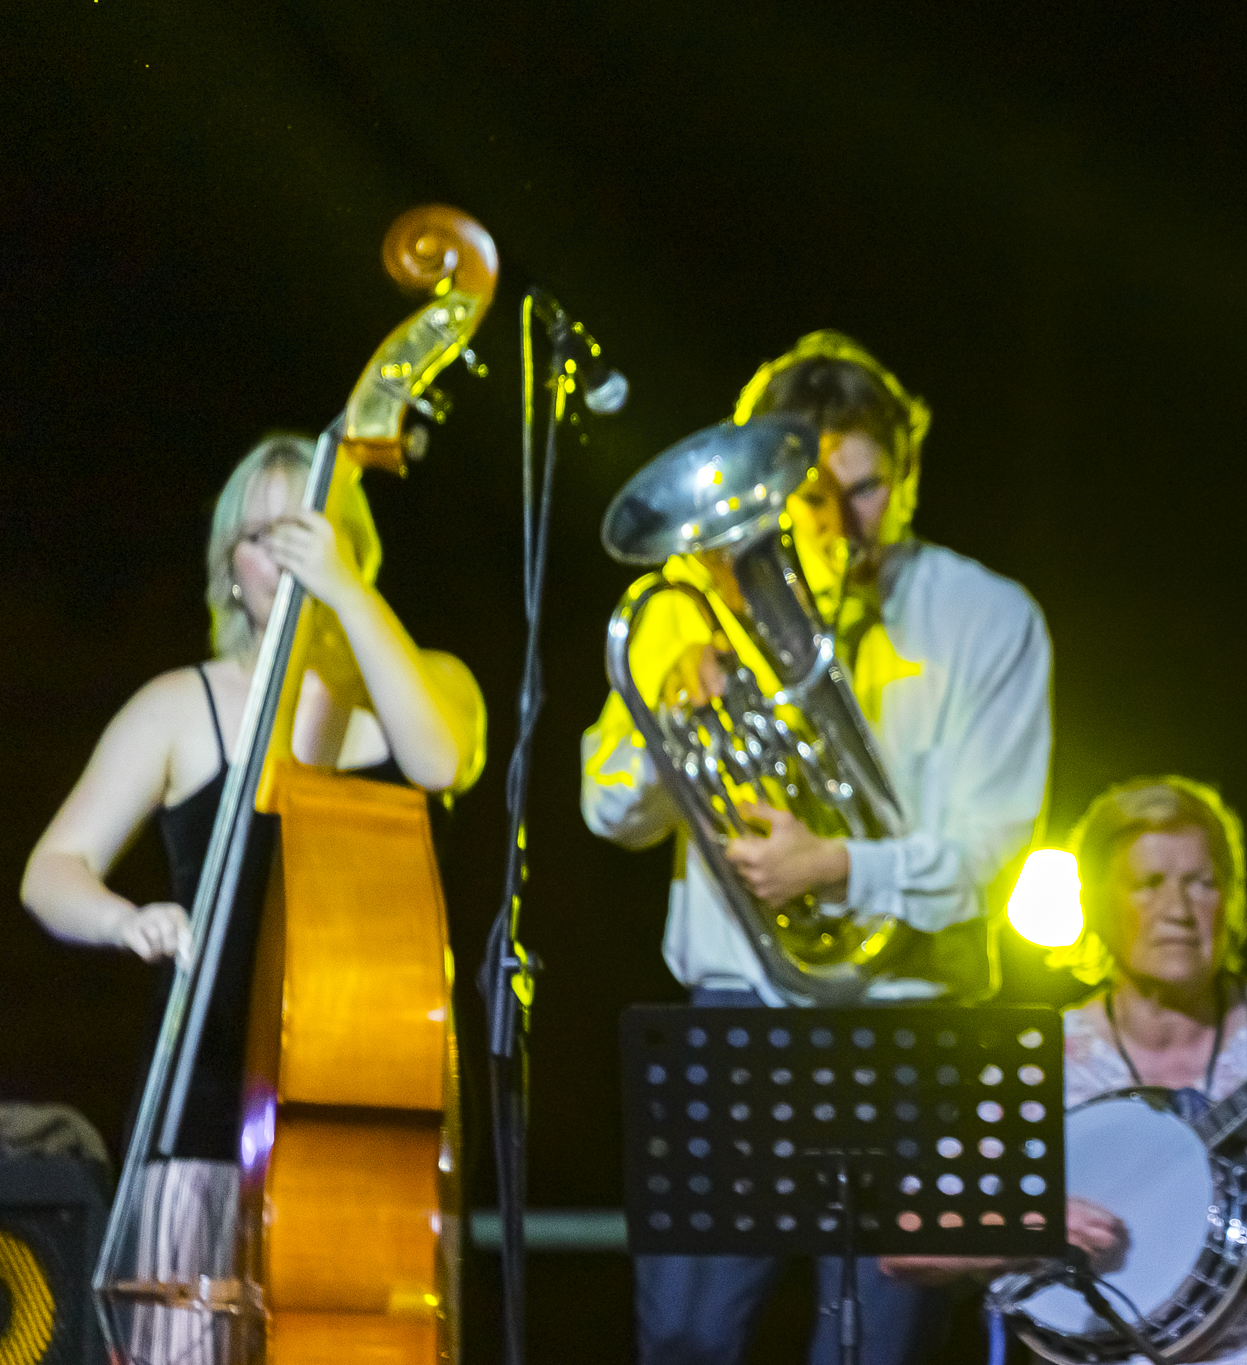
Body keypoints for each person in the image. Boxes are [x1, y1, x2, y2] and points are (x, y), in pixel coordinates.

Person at [581, 331, 1054, 1365]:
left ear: (909, 476)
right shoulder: (689, 609)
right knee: (688, 1338)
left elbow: (990, 851)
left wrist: (837, 865)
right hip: (736, 1019)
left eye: (867, 488)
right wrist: (667, 714)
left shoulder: (988, 616)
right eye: (809, 496)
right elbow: (608, 812)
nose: (839, 520)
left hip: (914, 1022)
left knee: (877, 1350)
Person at [19, 433, 484, 1347]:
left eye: (305, 529)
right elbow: (51, 871)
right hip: (201, 1108)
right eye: (258, 535)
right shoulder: (177, 704)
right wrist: (128, 918)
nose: (282, 553)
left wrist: (348, 595)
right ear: (228, 566)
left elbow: (439, 760)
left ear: (350, 543)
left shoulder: (421, 682)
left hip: (363, 1127)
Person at [883, 776, 1247, 1365]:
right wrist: (1027, 1224)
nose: (1178, 911)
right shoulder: (1043, 1062)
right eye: (1149, 884)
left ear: (1230, 902)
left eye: (1202, 883)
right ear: (1098, 904)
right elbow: (906, 1242)